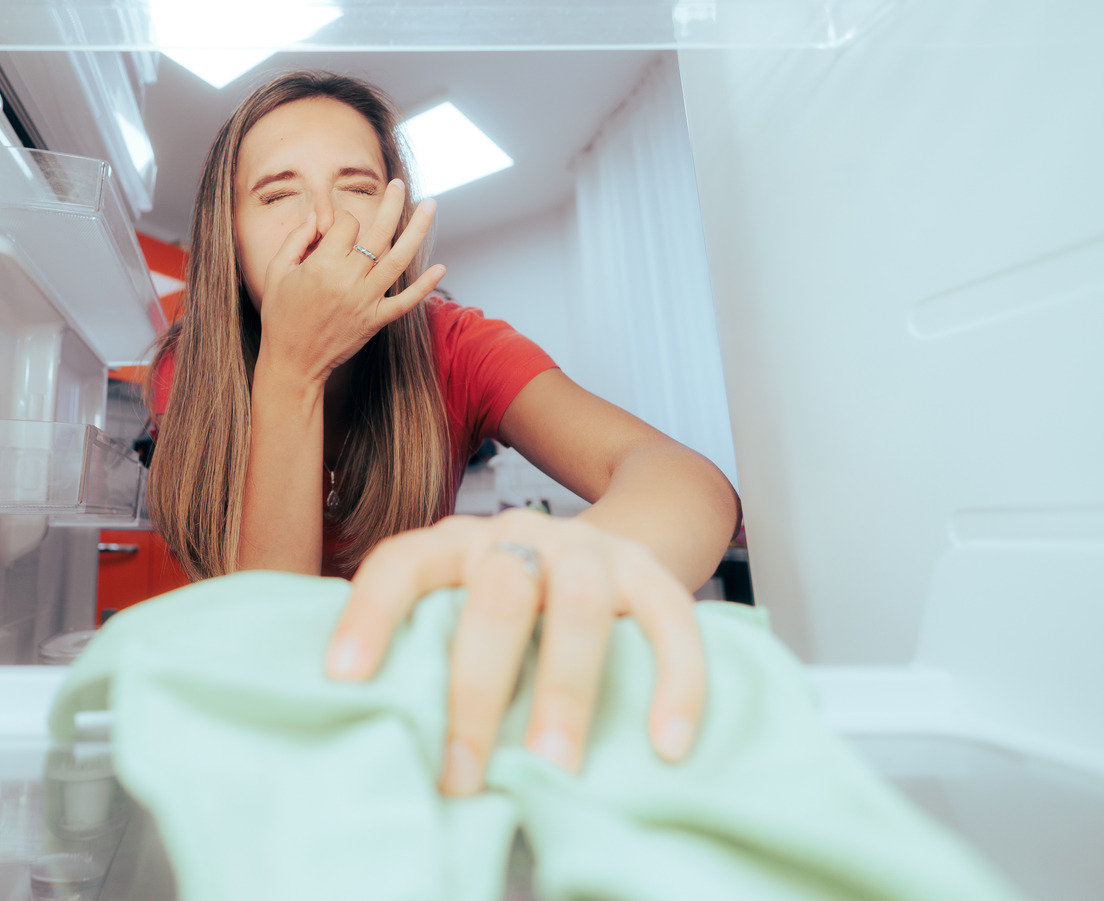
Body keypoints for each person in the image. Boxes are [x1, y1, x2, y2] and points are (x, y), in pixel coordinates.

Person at [145, 71, 740, 797]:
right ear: (226, 237)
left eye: (359, 187)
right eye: (277, 194)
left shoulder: (452, 346)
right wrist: (291, 369)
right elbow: (275, 642)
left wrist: (559, 557)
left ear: (396, 220)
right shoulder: (188, 369)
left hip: (428, 719)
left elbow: (687, 482)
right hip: (266, 739)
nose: (324, 220)